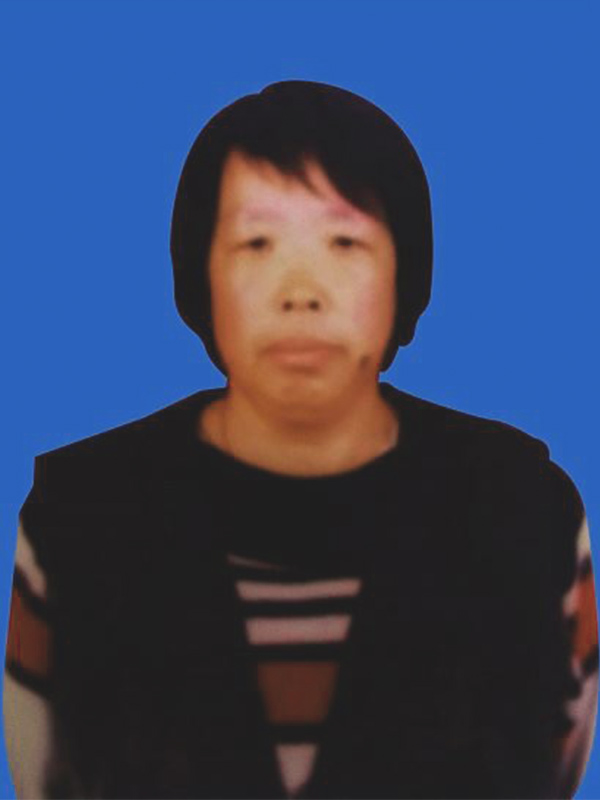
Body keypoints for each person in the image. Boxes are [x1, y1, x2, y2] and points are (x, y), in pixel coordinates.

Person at [3, 80, 598, 799]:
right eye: (256, 243)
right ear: (199, 273)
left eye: (345, 242)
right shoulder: (79, 517)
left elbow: (552, 772)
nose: (300, 292)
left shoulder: (525, 511)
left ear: (406, 271)